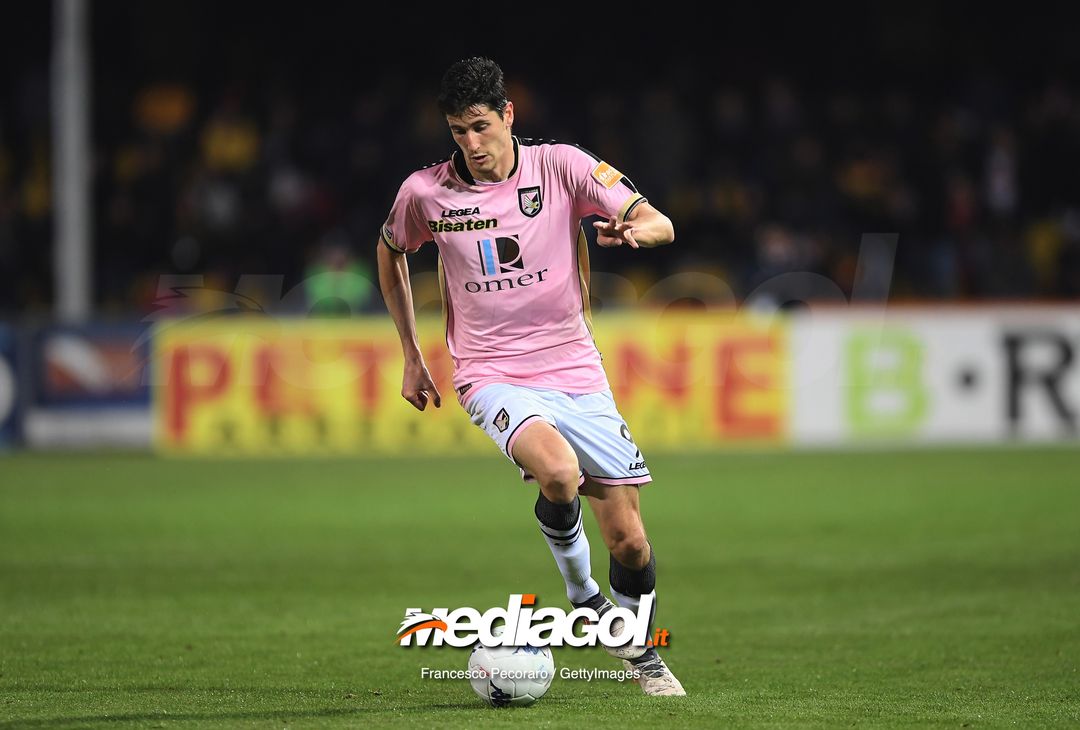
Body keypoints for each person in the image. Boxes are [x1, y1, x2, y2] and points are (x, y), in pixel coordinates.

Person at [377, 57, 684, 696]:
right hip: (490, 371)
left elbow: (660, 220)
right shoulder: (424, 193)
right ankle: (581, 595)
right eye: (457, 130)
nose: (470, 144)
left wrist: (633, 231)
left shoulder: (564, 167)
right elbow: (391, 251)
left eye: (481, 126)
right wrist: (410, 352)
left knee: (629, 539)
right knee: (558, 471)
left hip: (574, 367)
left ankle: (642, 651)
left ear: (509, 115)